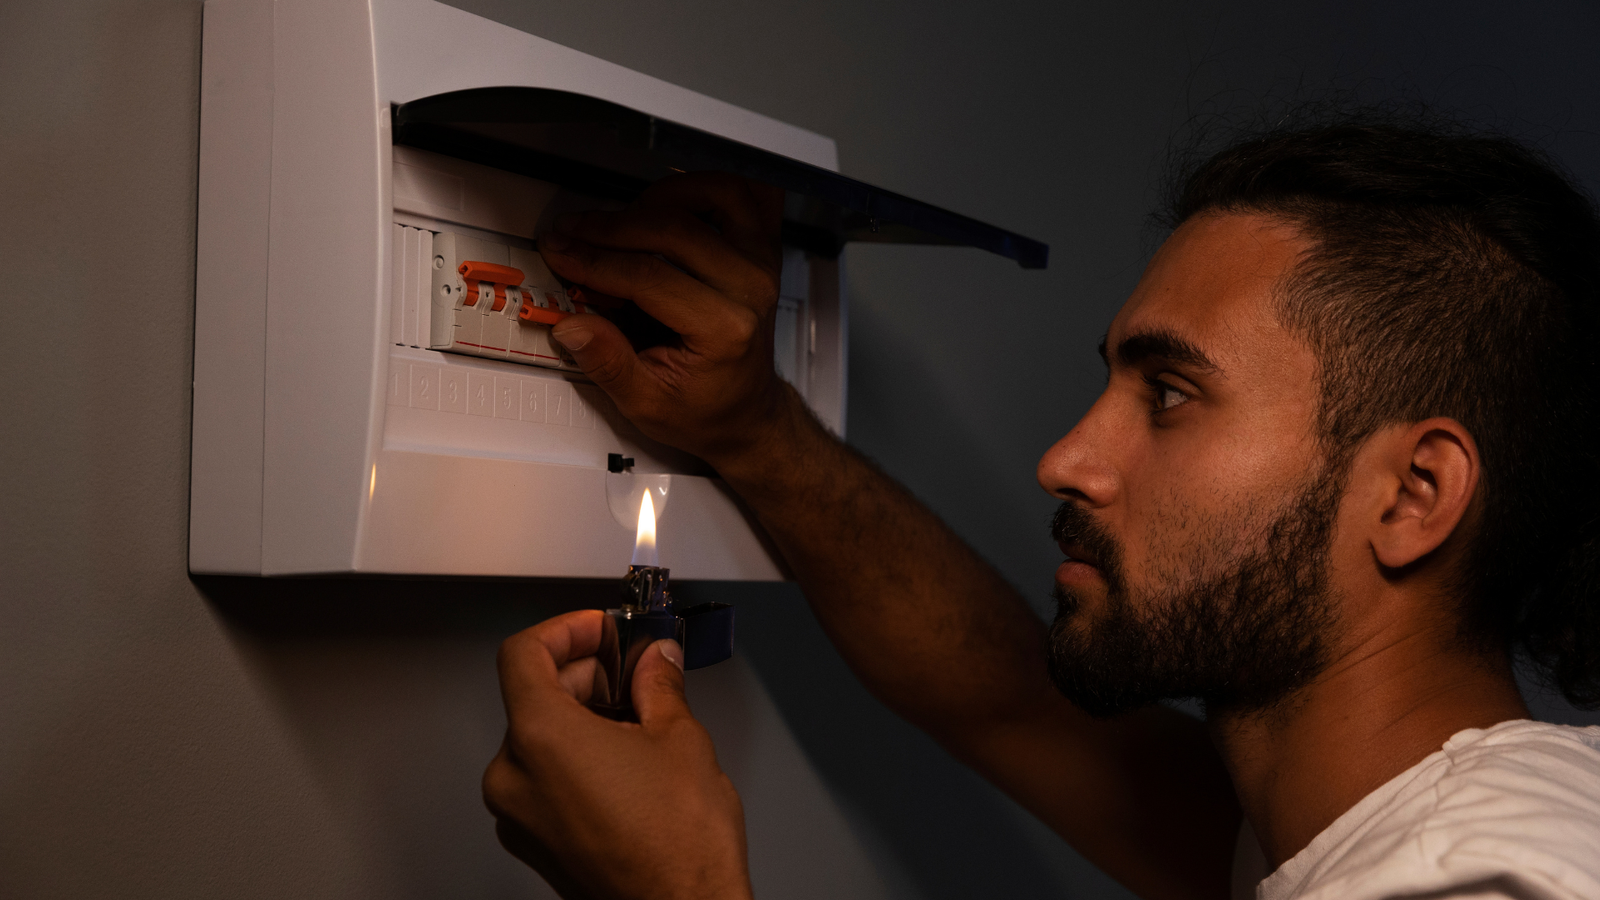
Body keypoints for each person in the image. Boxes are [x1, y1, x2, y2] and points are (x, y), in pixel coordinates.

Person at [480, 120, 1600, 900]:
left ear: (1412, 495)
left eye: (1170, 396)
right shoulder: (1353, 812)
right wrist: (754, 428)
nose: (1064, 459)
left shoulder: (1477, 882)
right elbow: (1007, 700)